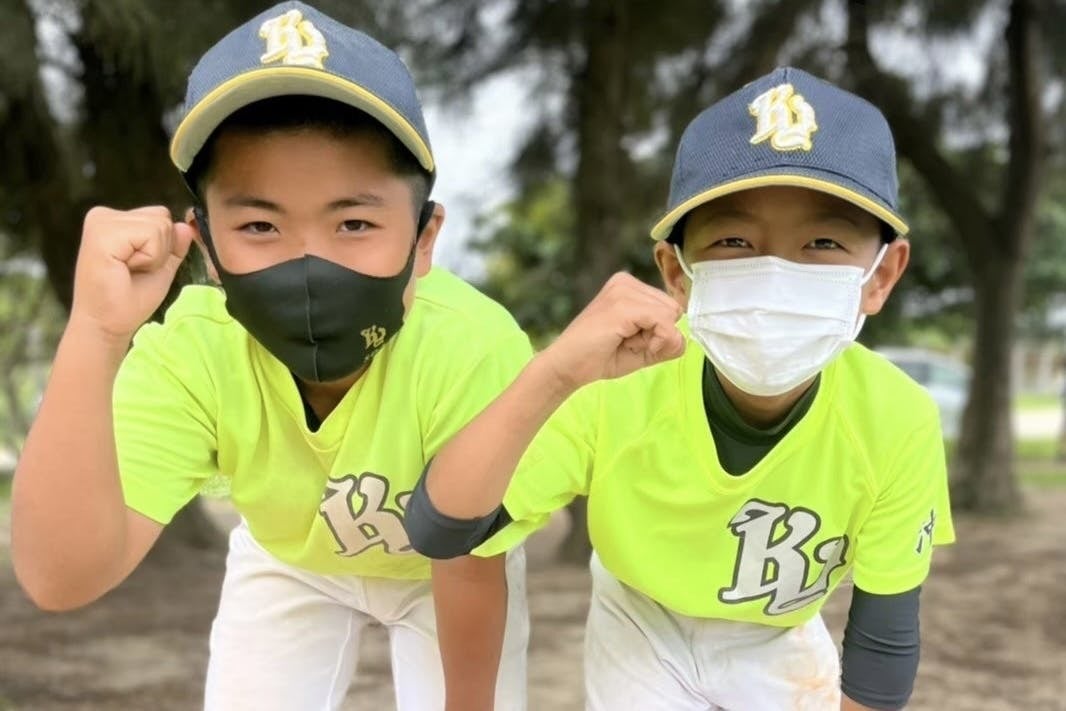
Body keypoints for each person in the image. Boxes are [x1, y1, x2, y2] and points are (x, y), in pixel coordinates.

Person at [11, 3, 530, 710]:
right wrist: (96, 333)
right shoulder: (194, 351)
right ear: (206, 245)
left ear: (423, 238)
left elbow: (469, 561)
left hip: (445, 566)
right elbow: (60, 577)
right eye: (259, 225)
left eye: (354, 222)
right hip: (290, 558)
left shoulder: (473, 348)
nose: (308, 264)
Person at [406, 67, 956, 711]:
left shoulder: (897, 418)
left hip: (776, 633)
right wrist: (554, 373)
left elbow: (882, 647)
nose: (775, 273)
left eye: (824, 241)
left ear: (881, 274)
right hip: (641, 619)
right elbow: (444, 528)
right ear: (676, 270)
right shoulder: (619, 381)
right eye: (733, 240)